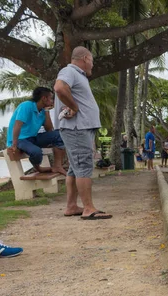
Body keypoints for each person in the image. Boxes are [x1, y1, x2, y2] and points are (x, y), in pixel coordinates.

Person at [54, 46, 112, 220]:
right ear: (86, 58)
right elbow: (59, 88)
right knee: (83, 166)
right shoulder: (69, 71)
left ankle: (72, 206)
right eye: (92, 61)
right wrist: (74, 107)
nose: (92, 66)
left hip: (79, 129)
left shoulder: (78, 76)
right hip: (77, 128)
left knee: (75, 168)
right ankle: (88, 208)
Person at [6, 87, 67, 176]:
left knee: (59, 135)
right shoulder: (26, 106)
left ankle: (58, 165)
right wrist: (14, 145)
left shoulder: (42, 110)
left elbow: (49, 129)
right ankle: (38, 168)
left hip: (33, 138)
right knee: (36, 152)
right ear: (44, 98)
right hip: (19, 139)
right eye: (51, 98)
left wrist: (46, 111)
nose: (52, 101)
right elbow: (17, 125)